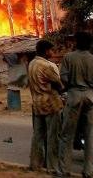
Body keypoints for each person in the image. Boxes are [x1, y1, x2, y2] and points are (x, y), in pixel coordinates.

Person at [59, 31, 93, 178]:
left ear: (76, 42)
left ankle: (65, 169)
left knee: (67, 133)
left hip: (74, 94)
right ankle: (89, 169)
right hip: (90, 95)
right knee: (90, 134)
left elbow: (64, 77)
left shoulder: (68, 57)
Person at [28, 39, 64, 176]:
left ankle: (35, 164)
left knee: (37, 135)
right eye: (51, 50)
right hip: (50, 103)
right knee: (52, 136)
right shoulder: (46, 66)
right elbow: (58, 83)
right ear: (46, 51)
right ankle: (52, 166)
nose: (53, 53)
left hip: (37, 103)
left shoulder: (31, 64)